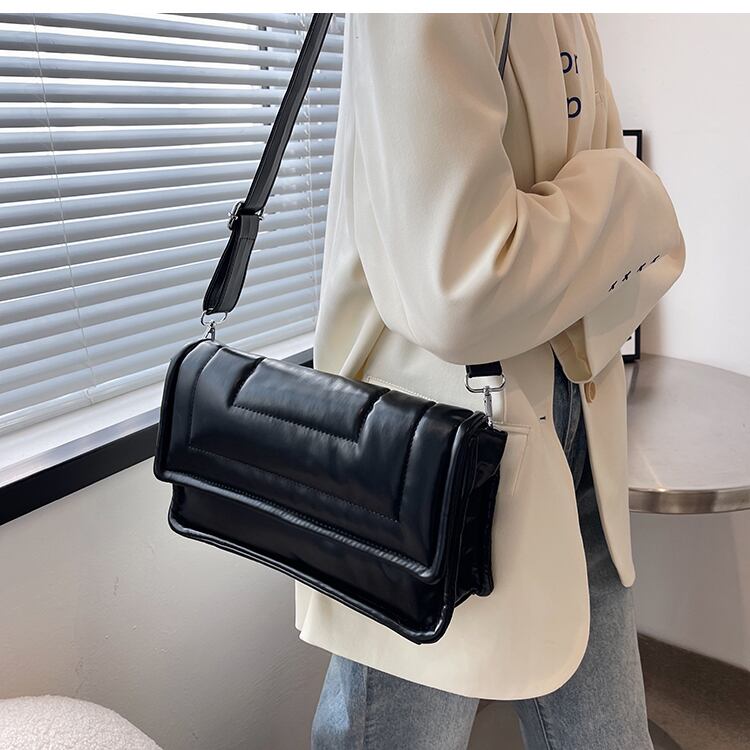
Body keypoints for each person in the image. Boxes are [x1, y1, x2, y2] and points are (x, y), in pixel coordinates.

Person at [301, 13, 686, 749]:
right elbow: (462, 287)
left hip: (579, 436)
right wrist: (629, 192)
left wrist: (583, 222)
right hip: (432, 471)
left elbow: (606, 253)